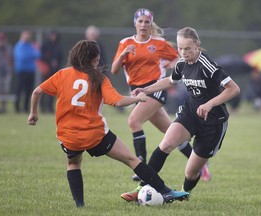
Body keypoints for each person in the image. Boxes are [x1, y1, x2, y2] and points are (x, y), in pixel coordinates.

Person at [27, 40, 189, 208]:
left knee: (73, 163)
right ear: (96, 59)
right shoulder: (99, 79)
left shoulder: (62, 74)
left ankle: (80, 205)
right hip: (95, 135)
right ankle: (164, 190)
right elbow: (117, 101)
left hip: (68, 136)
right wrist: (138, 98)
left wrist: (34, 113)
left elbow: (37, 91)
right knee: (131, 159)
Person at [121, 27, 240, 202]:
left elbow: (233, 89)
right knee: (166, 143)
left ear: (197, 46)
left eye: (187, 48)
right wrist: (145, 89)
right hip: (190, 113)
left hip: (213, 122)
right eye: (180, 48)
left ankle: (184, 193)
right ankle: (141, 187)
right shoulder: (182, 65)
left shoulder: (208, 65)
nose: (183, 53)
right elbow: (170, 80)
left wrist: (209, 103)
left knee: (191, 173)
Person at [111, 8, 208, 182]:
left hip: (155, 88)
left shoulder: (158, 43)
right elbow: (114, 70)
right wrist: (124, 54)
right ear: (135, 23)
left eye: (147, 22)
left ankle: (141, 165)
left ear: (150, 24)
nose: (143, 25)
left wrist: (172, 64)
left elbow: (180, 56)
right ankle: (200, 164)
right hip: (137, 91)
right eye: (140, 21)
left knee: (133, 121)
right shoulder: (125, 43)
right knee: (171, 132)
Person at [13, 30, 40, 113]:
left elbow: (38, 54)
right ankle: (17, 108)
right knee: (20, 89)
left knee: (29, 90)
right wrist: (31, 55)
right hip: (22, 71)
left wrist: (30, 55)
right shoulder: (19, 46)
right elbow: (22, 57)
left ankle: (26, 108)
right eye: (25, 36)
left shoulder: (30, 46)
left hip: (30, 71)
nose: (27, 38)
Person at [39, 30, 63, 113]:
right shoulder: (45, 44)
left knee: (52, 90)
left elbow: (60, 56)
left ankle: (49, 107)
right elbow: (41, 56)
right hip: (46, 70)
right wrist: (50, 61)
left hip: (54, 71)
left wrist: (56, 62)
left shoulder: (58, 45)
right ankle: (42, 107)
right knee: (44, 88)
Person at [0, 32, 13, 113]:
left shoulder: (8, 48)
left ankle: (3, 108)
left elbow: (11, 59)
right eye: (0, 39)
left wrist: (10, 69)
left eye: (3, 39)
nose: (1, 41)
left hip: (6, 73)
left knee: (5, 92)